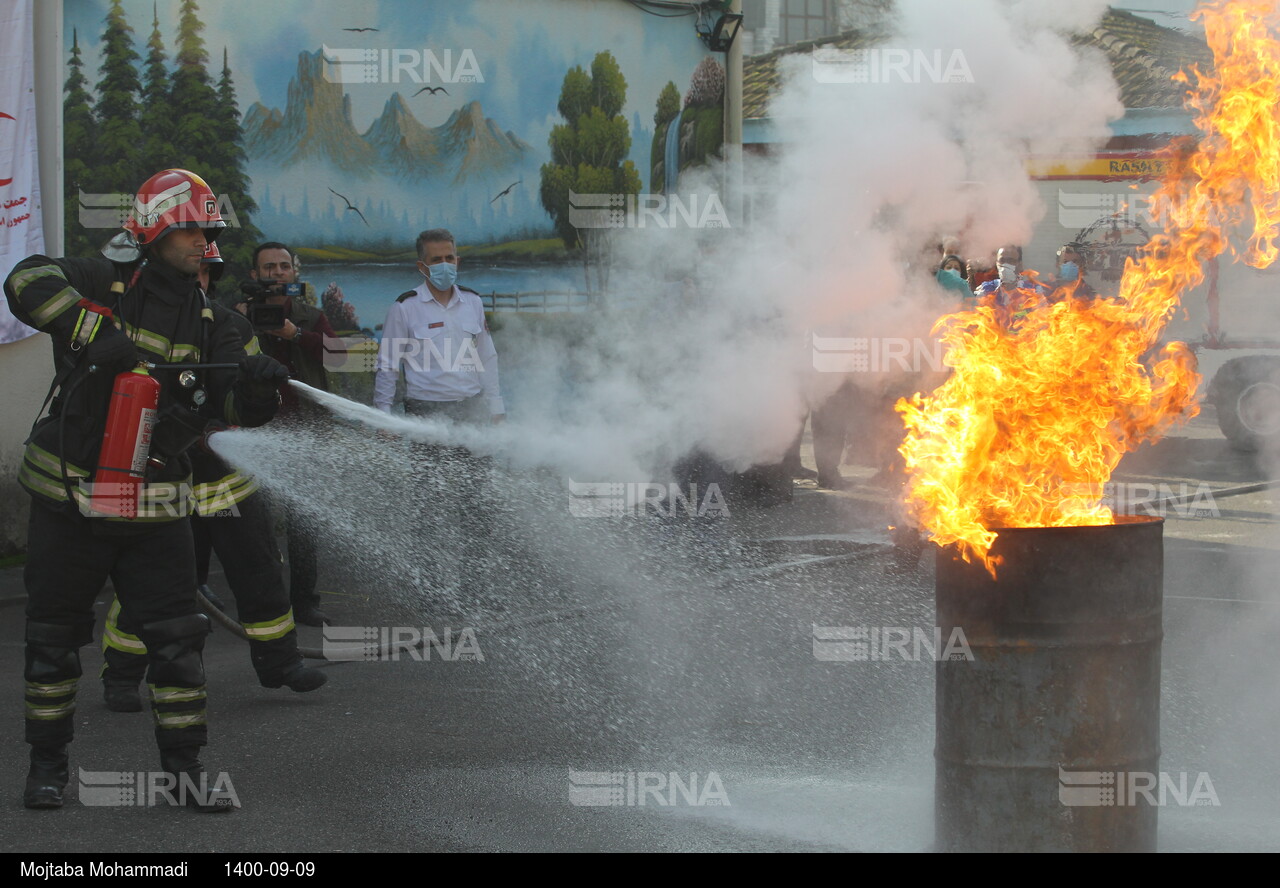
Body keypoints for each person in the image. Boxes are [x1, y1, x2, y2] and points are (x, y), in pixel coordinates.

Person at [4, 168, 288, 811]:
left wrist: (261, 386)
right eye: (189, 226)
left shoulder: (219, 320)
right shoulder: (101, 282)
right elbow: (23, 280)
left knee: (178, 644)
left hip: (156, 509)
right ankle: (46, 768)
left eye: (208, 229)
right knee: (52, 641)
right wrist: (90, 331)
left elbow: (236, 409)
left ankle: (186, 774)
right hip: (68, 499)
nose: (202, 239)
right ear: (155, 230)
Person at [99, 243, 327, 712]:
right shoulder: (135, 321)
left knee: (259, 568)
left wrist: (257, 387)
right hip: (163, 477)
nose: (197, 278)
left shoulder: (230, 326)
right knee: (153, 580)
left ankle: (281, 665)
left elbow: (243, 400)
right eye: (193, 269)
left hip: (224, 478)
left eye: (206, 272)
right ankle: (121, 674)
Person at [375, 229, 504, 597]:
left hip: (472, 411)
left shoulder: (474, 304)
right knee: (428, 505)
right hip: (425, 415)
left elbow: (487, 358)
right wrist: (383, 415)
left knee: (477, 505)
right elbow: (387, 364)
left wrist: (496, 407)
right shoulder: (404, 307)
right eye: (436, 260)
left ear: (458, 261)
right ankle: (431, 588)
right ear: (422, 266)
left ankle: (475, 587)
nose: (445, 265)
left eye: (450, 258)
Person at [235, 242, 338, 627]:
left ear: (294, 273)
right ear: (254, 276)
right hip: (256, 433)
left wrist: (296, 334)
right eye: (269, 268)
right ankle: (264, 605)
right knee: (254, 527)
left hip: (306, 434)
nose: (277, 273)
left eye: (284, 266)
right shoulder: (235, 317)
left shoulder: (311, 317)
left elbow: (340, 355)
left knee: (303, 525)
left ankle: (305, 602)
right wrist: (243, 323)